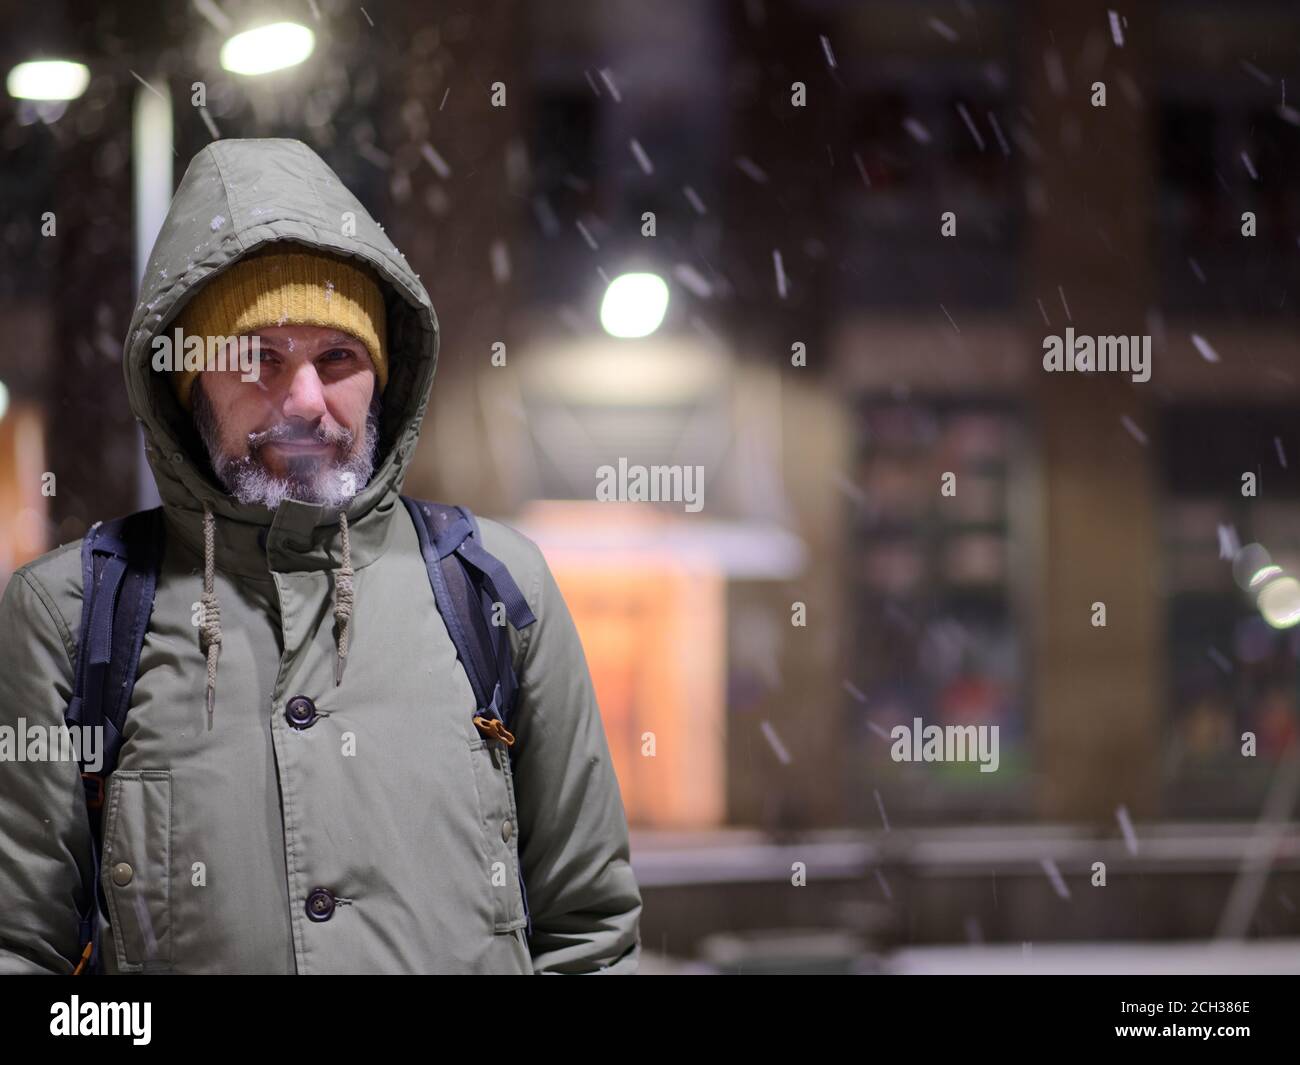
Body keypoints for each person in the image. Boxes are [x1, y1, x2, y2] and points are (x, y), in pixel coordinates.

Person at [0, 137, 642, 974]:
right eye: (257, 357)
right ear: (186, 382)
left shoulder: (496, 590)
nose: (304, 400)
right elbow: (24, 952)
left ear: (383, 374)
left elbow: (590, 935)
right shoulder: (73, 617)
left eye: (337, 357)